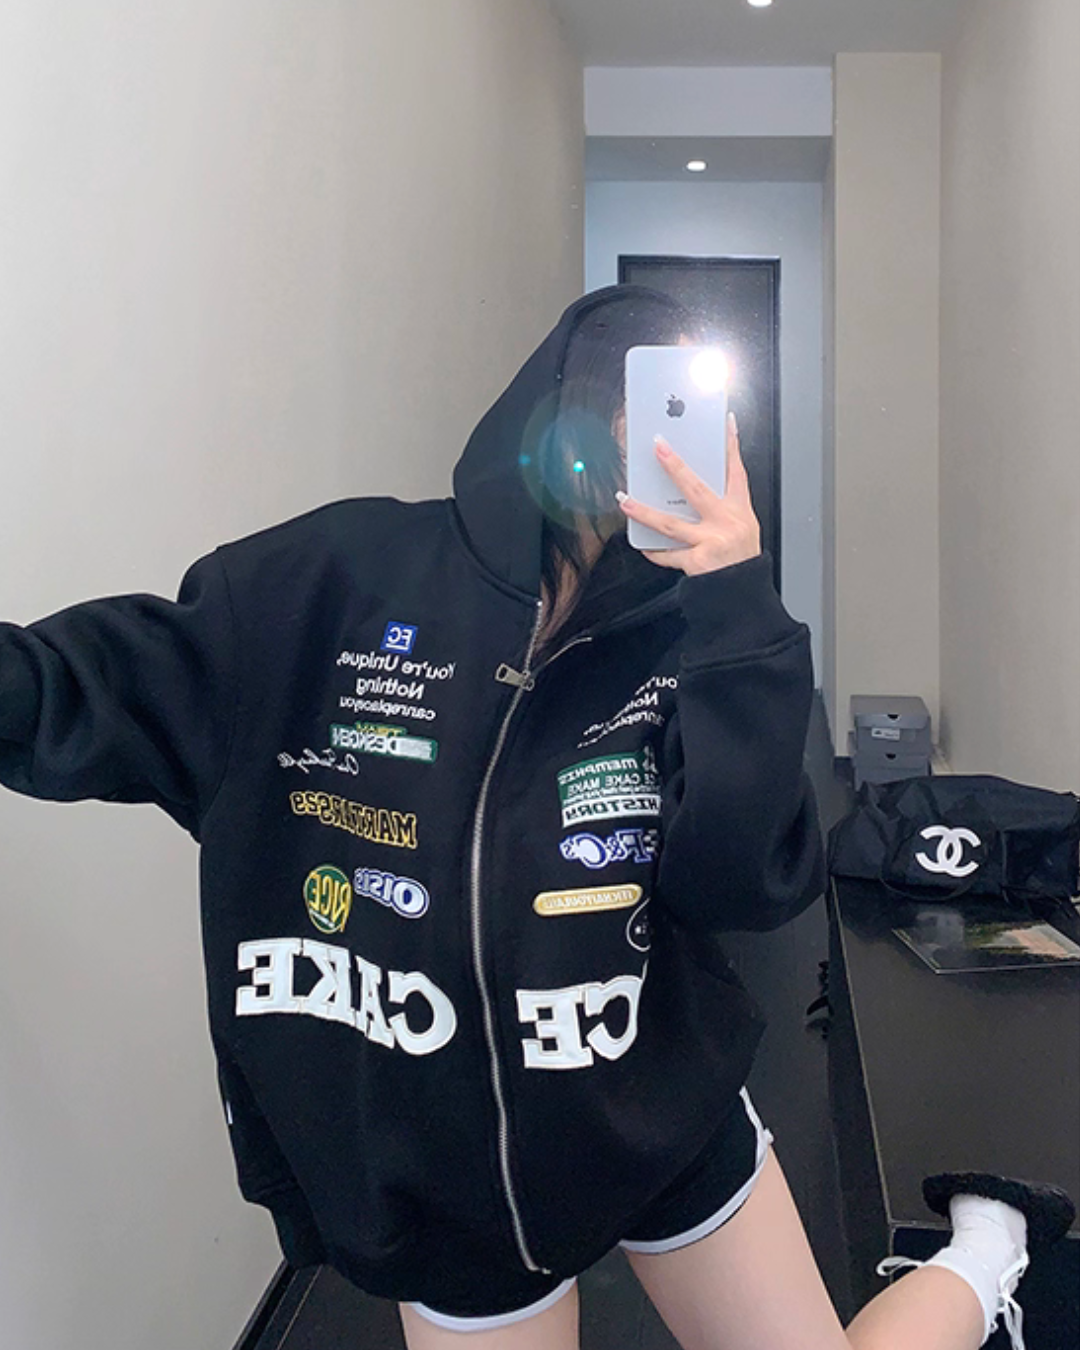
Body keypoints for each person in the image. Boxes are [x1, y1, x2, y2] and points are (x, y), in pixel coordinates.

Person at [0, 286, 1072, 1350]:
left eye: (693, 410)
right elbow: (74, 690)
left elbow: (742, 885)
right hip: (449, 1182)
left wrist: (738, 603)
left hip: (655, 1110)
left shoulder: (692, 629)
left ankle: (988, 1247)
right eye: (638, 401)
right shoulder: (336, 579)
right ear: (566, 405)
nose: (656, 442)